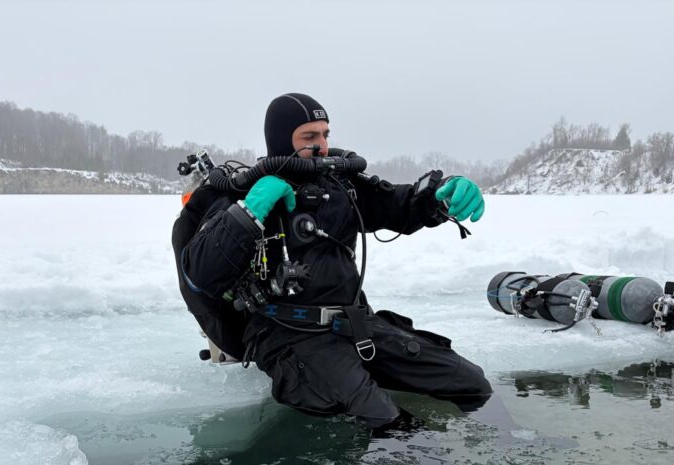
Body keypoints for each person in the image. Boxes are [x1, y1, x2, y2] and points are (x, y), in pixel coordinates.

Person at [177, 93, 491, 431]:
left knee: (472, 384)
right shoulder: (244, 194)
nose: (323, 146)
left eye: (325, 134)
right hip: (289, 335)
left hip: (355, 325)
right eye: (310, 137)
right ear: (283, 140)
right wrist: (250, 211)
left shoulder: (340, 186)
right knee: (388, 421)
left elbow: (398, 205)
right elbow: (201, 270)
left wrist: (440, 196)